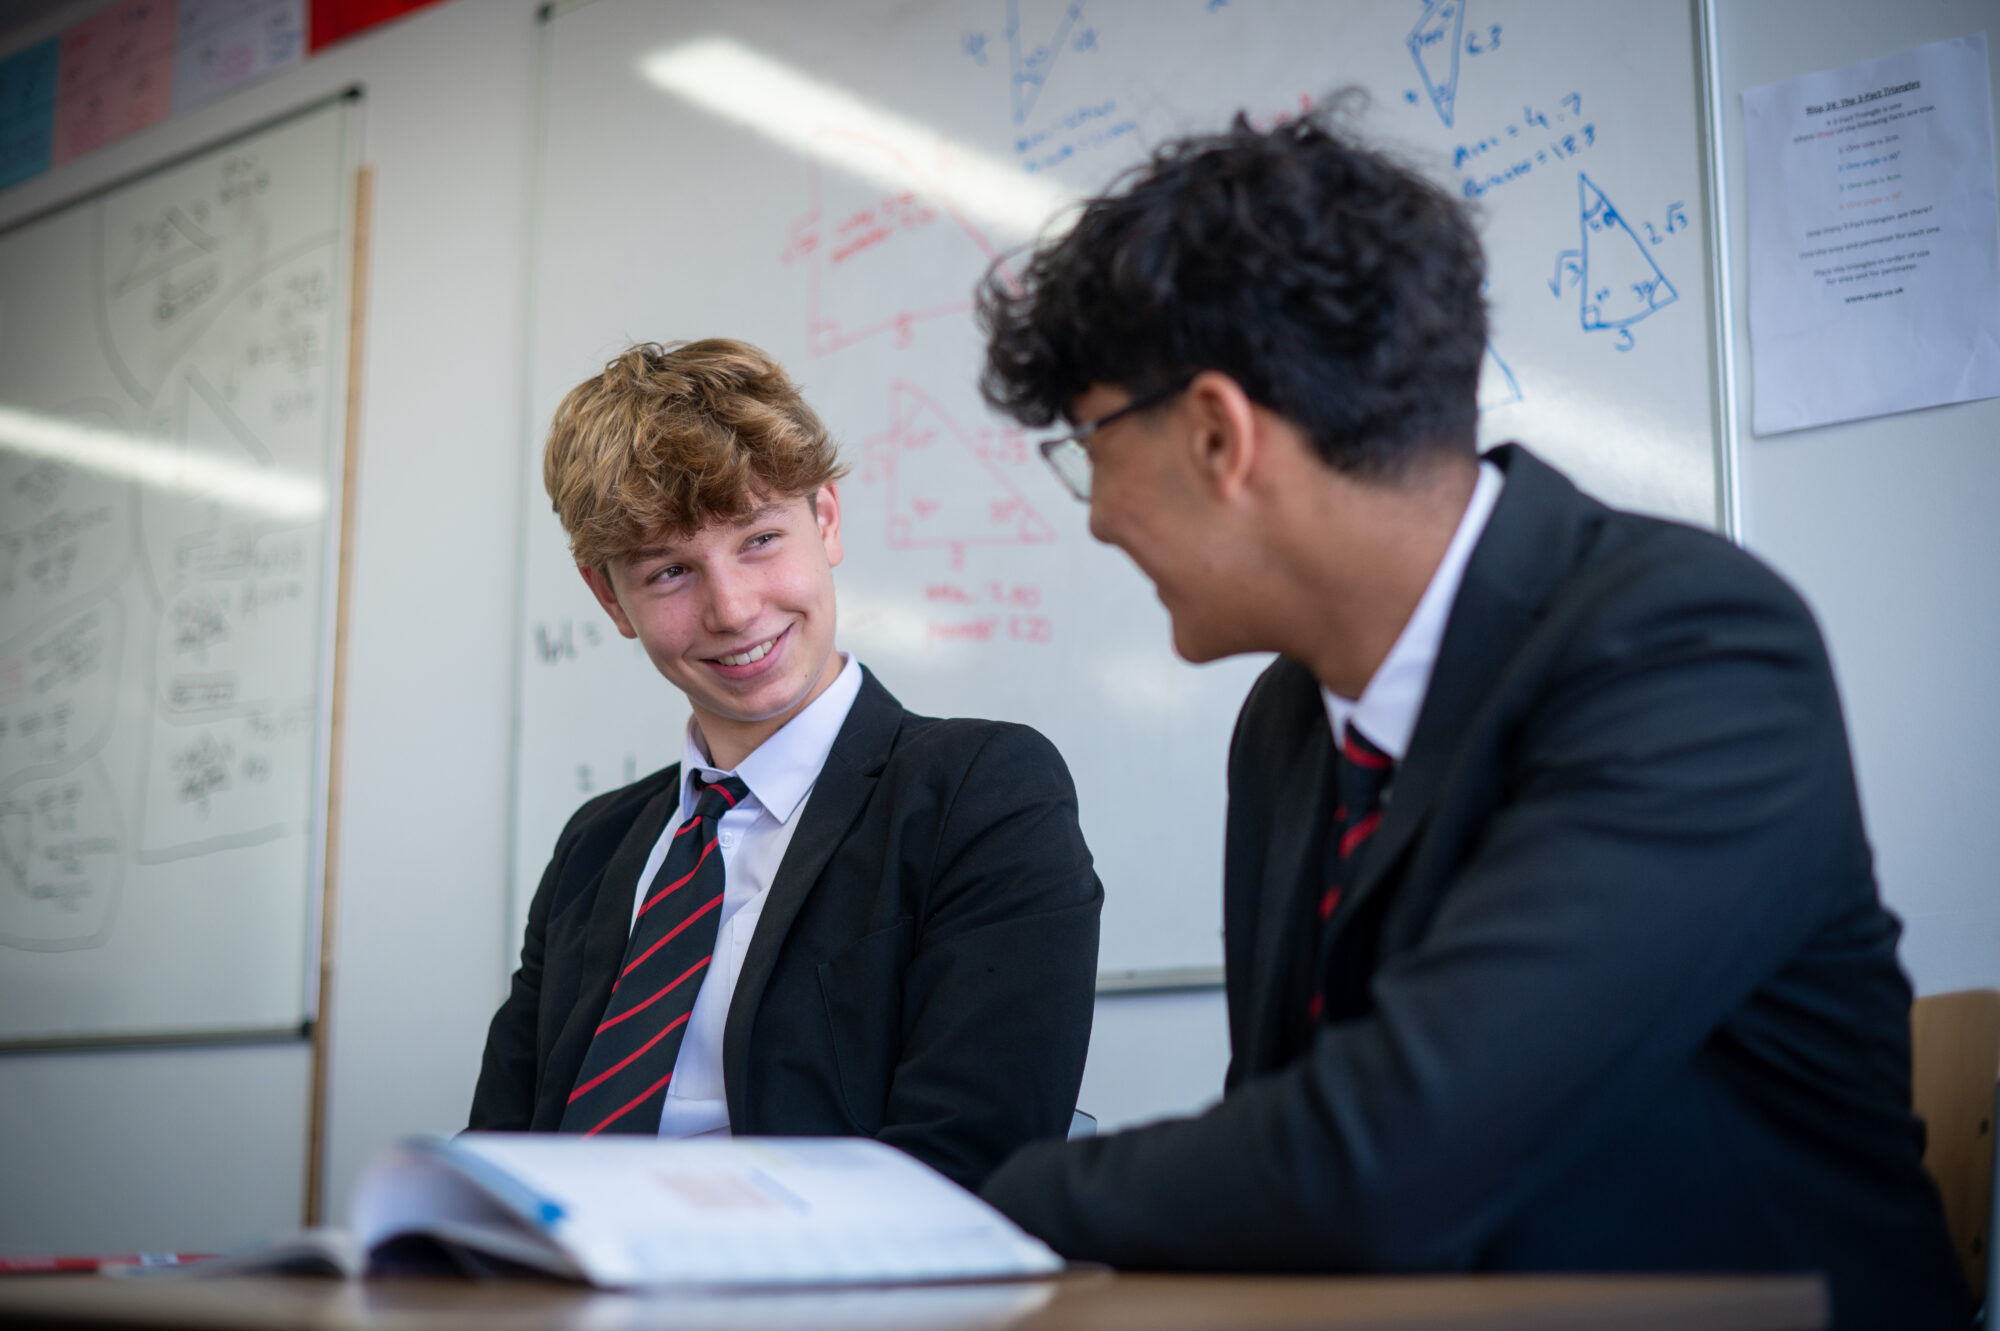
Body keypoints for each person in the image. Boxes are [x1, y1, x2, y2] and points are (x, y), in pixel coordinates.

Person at [971, 113, 1967, 1327]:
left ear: (1217, 434)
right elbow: (1276, 1148)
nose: (1095, 518)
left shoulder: (1691, 647)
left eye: (1091, 448)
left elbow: (1375, 1162)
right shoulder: (1288, 721)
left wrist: (982, 1198)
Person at [470, 338, 1101, 1191]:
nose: (732, 608)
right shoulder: (595, 844)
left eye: (761, 539)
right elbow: (499, 1156)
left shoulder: (978, 791)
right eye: (668, 572)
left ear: (827, 520)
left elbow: (969, 1160)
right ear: (608, 598)